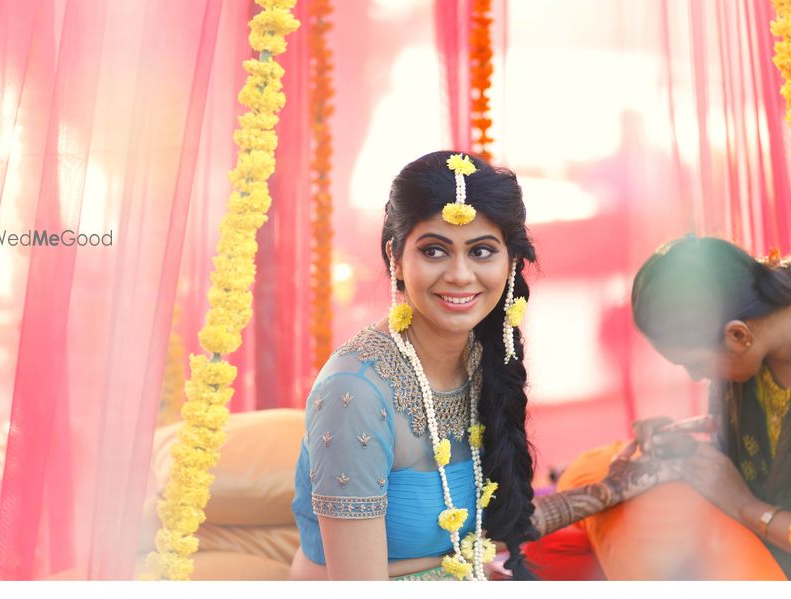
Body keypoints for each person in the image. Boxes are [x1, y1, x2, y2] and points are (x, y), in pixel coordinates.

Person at [290, 151, 679, 580]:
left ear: (510, 262)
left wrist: (611, 489)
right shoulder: (354, 393)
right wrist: (473, 560)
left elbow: (488, 531)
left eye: (481, 251)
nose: (460, 274)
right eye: (435, 250)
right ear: (395, 258)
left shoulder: (483, 359)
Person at [630, 235, 791, 580]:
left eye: (694, 364)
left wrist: (746, 507)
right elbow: (766, 444)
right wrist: (679, 440)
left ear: (738, 336)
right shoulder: (758, 363)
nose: (696, 377)